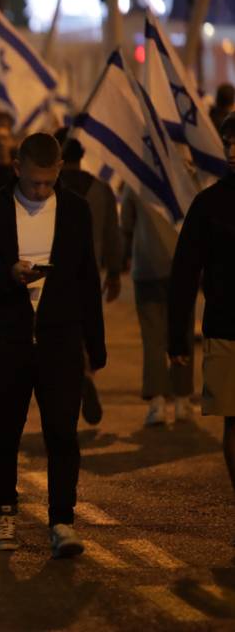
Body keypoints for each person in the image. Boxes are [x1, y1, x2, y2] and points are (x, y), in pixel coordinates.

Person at [0, 132, 105, 559]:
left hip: (61, 339)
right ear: (17, 169)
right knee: (5, 429)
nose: (40, 191)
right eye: (33, 182)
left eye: (48, 182)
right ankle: (3, 511)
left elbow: (87, 281)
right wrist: (7, 275)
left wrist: (94, 348)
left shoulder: (76, 211)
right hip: (9, 338)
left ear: (59, 171)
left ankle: (62, 520)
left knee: (62, 432)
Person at [169, 114, 235, 507]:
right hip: (226, 328)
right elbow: (184, 273)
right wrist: (177, 336)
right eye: (229, 143)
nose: (232, 151)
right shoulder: (209, 203)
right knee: (233, 420)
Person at [56, 129, 122, 425]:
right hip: (91, 271)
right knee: (86, 325)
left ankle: (76, 378)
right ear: (82, 157)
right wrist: (115, 272)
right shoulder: (101, 190)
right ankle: (85, 373)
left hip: (54, 272)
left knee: (59, 332)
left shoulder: (46, 189)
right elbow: (113, 235)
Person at [121, 183, 194, 426]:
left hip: (147, 266)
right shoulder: (183, 176)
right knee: (182, 331)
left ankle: (158, 404)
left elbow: (126, 224)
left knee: (153, 337)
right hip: (182, 266)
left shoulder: (136, 180)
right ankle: (183, 400)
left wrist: (120, 260)